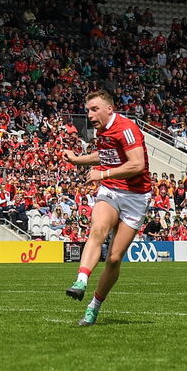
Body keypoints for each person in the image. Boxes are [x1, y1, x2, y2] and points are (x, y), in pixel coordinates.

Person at [61, 90, 152, 326]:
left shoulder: (126, 128)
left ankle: (94, 306)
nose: (90, 114)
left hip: (136, 197)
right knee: (97, 229)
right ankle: (81, 280)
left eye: (94, 109)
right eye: (88, 110)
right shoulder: (101, 130)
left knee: (113, 258)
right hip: (111, 190)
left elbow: (137, 164)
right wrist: (76, 160)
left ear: (109, 109)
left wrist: (103, 173)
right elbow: (104, 155)